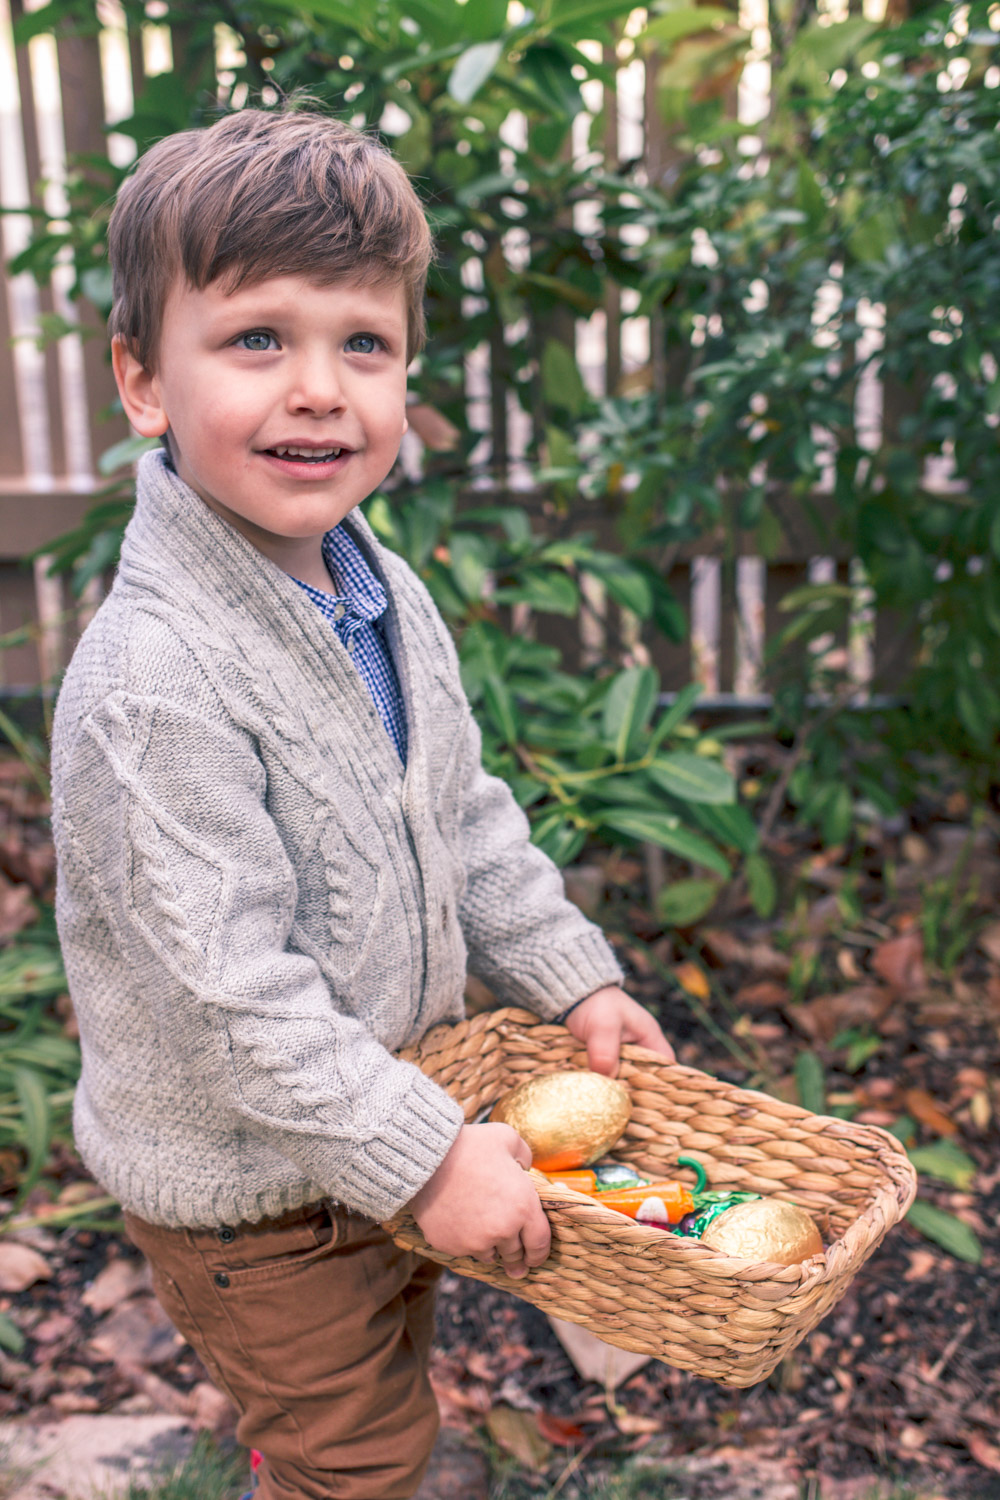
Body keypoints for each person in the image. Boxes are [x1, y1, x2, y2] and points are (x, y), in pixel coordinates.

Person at [50, 104, 674, 1500]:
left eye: (364, 345)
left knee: (381, 1378)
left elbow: (458, 809)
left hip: (387, 1124)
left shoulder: (370, 585)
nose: (320, 388)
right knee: (365, 1460)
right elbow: (234, 999)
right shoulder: (156, 682)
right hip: (255, 1196)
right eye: (258, 339)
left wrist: (571, 977)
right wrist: (425, 1157)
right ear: (145, 381)